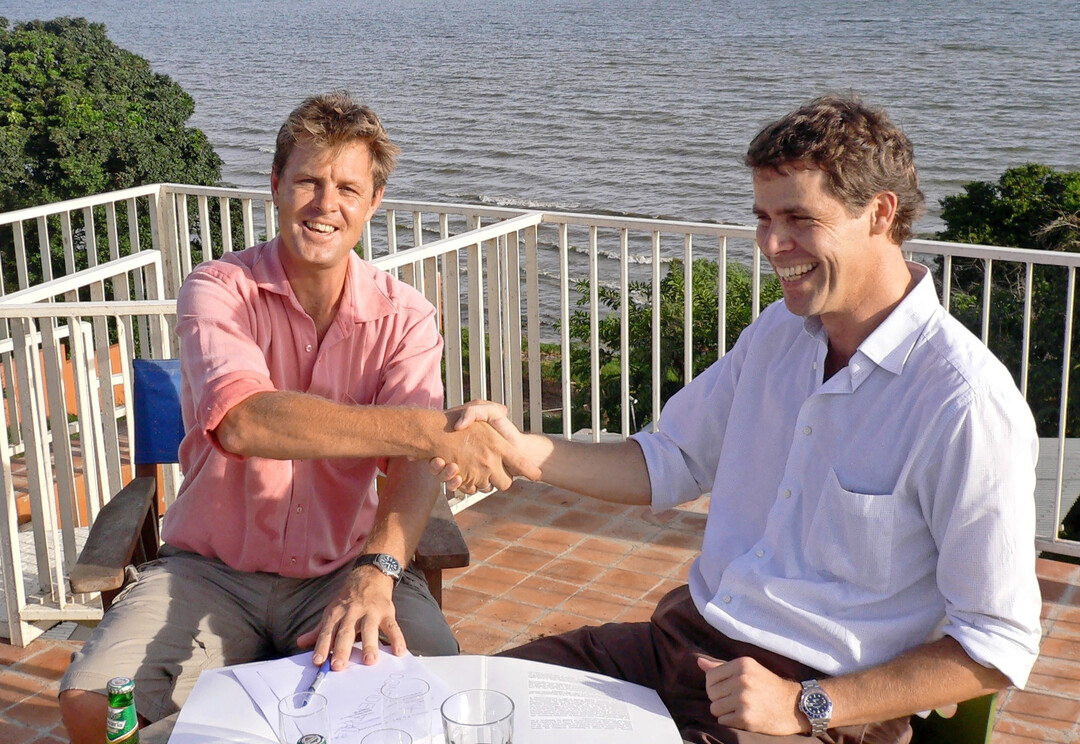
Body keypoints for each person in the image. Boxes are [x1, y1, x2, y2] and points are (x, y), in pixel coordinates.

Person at [436, 95, 1043, 743]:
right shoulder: (780, 333)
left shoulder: (962, 401)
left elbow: (998, 641)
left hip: (814, 708)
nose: (773, 245)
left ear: (881, 213)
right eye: (762, 217)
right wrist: (520, 450)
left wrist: (806, 705)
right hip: (682, 648)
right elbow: (669, 461)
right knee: (469, 704)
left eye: (799, 218)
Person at [59, 91, 538, 740]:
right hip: (211, 573)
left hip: (346, 567)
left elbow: (415, 471)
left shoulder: (405, 318)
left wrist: (382, 567)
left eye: (347, 187)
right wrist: (429, 429)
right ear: (277, 187)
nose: (325, 203)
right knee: (92, 703)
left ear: (373, 203)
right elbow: (246, 423)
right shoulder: (218, 288)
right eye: (308, 180)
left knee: (431, 690)